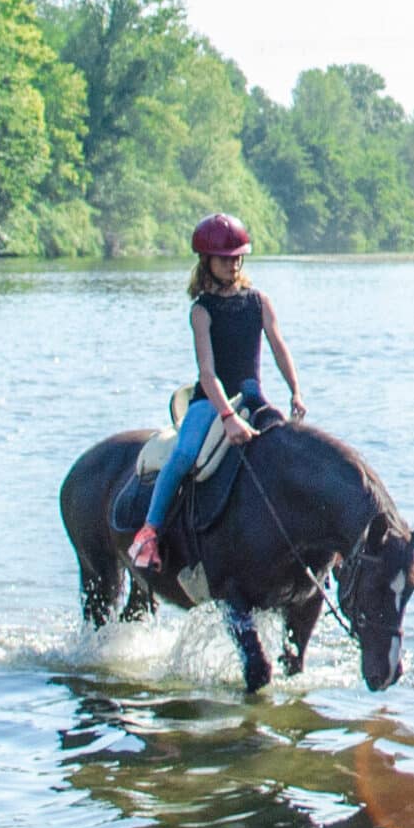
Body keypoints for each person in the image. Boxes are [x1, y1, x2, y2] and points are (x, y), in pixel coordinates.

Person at [127, 212, 307, 572]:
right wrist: (227, 417)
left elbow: (278, 347)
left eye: (238, 256)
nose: (233, 263)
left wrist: (295, 392)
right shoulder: (202, 311)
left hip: (252, 395)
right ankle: (150, 531)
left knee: (288, 450)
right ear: (206, 262)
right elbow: (208, 373)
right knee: (184, 455)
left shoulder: (259, 301)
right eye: (225, 258)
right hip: (210, 401)